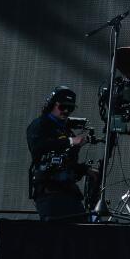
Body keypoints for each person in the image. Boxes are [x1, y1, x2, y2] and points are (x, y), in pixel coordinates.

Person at [26, 88, 95, 222]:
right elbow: (38, 149)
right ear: (52, 105)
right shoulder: (40, 125)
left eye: (70, 108)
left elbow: (68, 162)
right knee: (55, 233)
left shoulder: (66, 130)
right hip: (49, 191)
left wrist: (85, 170)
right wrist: (70, 141)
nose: (66, 111)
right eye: (63, 107)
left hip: (69, 191)